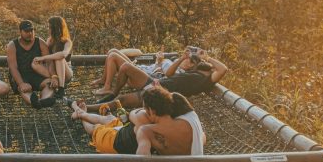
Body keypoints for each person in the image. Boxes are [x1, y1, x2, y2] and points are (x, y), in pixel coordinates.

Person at [71, 86, 205, 155]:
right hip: (123, 130)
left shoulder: (146, 127)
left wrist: (133, 114)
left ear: (151, 111)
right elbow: (203, 137)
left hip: (114, 142)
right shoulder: (185, 124)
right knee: (109, 119)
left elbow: (142, 159)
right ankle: (82, 113)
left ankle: (82, 115)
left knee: (96, 128)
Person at [88, 48, 228, 109]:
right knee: (125, 66)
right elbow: (168, 74)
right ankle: (113, 92)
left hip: (159, 92)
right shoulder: (194, 73)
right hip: (155, 82)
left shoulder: (206, 80)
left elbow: (223, 69)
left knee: (121, 101)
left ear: (210, 69)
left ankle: (88, 109)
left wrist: (208, 58)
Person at [7, 19, 55, 108]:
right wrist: (21, 83)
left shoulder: (40, 42)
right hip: (20, 76)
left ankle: (42, 101)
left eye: (31, 30)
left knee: (49, 83)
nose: (30, 33)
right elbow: (13, 67)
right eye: (26, 31)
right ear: (20, 32)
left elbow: (49, 62)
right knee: (24, 89)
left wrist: (53, 77)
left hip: (36, 75)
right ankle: (32, 102)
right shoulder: (12, 45)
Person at [30, 16, 74, 97]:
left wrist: (43, 58)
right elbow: (43, 54)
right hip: (53, 72)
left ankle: (61, 89)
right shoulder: (49, 40)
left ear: (55, 28)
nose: (48, 29)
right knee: (34, 63)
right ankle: (55, 79)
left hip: (66, 73)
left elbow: (63, 54)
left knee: (59, 59)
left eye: (50, 27)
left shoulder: (67, 42)